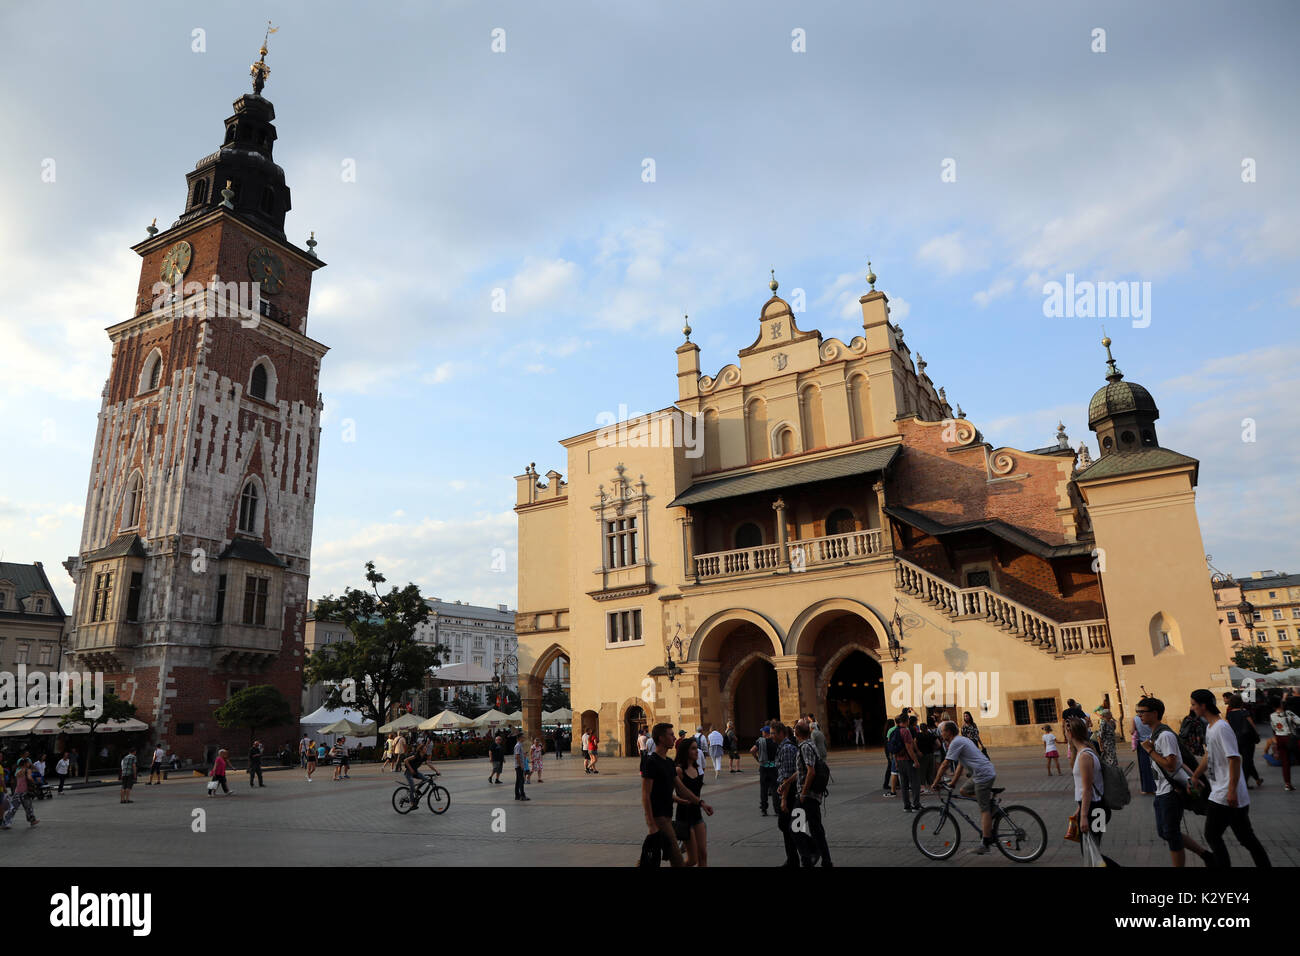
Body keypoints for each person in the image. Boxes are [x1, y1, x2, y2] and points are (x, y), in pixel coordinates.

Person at [1189, 689, 1271, 867]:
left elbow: (1234, 758)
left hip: (1226, 793)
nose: (1192, 707)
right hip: (1224, 792)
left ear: (1203, 706)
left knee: (1212, 835)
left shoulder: (1221, 728)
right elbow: (1209, 754)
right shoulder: (1211, 728)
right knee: (1245, 838)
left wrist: (1232, 791)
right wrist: (1195, 776)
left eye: (1194, 704)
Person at [1136, 696, 1212, 867]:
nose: (1139, 716)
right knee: (1165, 832)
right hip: (1162, 790)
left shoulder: (1164, 736)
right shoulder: (1156, 734)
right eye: (1137, 712)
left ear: (1155, 713)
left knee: (1171, 833)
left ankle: (1202, 858)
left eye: (1142, 712)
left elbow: (1171, 765)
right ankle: (1206, 855)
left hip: (1171, 791)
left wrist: (1149, 751)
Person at [641, 723, 709, 868]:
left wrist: (700, 802)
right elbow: (646, 794)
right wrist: (651, 823)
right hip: (659, 818)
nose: (674, 738)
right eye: (671, 735)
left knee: (650, 858)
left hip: (667, 815)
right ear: (661, 738)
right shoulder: (651, 761)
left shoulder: (669, 763)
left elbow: (681, 788)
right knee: (677, 860)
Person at [933, 720, 997, 855]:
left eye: (943, 731)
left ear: (949, 732)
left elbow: (945, 764)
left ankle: (985, 843)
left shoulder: (955, 742)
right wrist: (953, 783)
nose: (941, 733)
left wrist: (935, 782)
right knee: (963, 791)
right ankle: (988, 802)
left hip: (982, 775)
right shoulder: (961, 740)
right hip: (982, 772)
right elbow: (960, 765)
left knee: (984, 810)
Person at [1066, 717, 1117, 866]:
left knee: (1090, 852)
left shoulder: (1084, 756)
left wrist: (1083, 817)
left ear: (1070, 733)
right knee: (1093, 850)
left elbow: (1088, 789)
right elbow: (1091, 786)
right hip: (1096, 808)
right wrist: (1079, 808)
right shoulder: (1086, 751)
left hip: (1095, 810)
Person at [780, 720, 832, 867]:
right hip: (812, 796)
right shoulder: (810, 745)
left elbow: (811, 771)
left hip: (806, 797)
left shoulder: (804, 747)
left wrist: (803, 793)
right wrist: (787, 782)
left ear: (796, 733)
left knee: (794, 829)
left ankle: (808, 857)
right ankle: (826, 861)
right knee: (816, 830)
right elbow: (802, 770)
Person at [674, 736, 714, 866]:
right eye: (693, 749)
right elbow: (674, 792)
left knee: (703, 854)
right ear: (685, 751)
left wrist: (700, 804)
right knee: (692, 860)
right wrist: (679, 799)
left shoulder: (697, 769)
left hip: (697, 815)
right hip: (684, 816)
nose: (697, 751)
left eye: (697, 748)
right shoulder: (679, 770)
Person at [1224, 694, 1264, 789]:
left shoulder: (1229, 714)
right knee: (1247, 761)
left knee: (1247, 760)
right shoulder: (1244, 712)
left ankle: (1257, 779)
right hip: (1247, 740)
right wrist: (1257, 734)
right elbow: (1251, 724)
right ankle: (1244, 783)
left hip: (1236, 740)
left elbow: (1228, 727)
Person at [889, 711, 923, 813]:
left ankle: (906, 806)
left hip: (899, 761)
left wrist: (895, 762)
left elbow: (893, 749)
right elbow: (909, 748)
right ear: (907, 721)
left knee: (904, 784)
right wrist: (916, 761)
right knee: (915, 783)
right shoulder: (906, 731)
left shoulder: (894, 731)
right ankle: (916, 805)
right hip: (908, 761)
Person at [1267, 695, 1300, 790]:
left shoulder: (1272, 715)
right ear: (1280, 703)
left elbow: (1273, 728)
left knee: (1285, 762)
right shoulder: (1288, 713)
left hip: (1279, 738)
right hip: (1290, 738)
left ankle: (1287, 784)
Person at [751, 725, 778, 815]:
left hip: (764, 767)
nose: (762, 732)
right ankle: (776, 809)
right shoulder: (775, 741)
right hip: (773, 767)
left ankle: (764, 809)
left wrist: (757, 759)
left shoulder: (760, 741)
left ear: (765, 732)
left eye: (763, 731)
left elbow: (752, 750)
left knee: (764, 789)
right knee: (775, 789)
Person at [3, 759, 38, 828]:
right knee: (29, 807)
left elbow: (18, 781)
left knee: (13, 808)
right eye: (28, 763)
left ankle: (6, 822)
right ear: (25, 764)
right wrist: (34, 782)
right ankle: (32, 821)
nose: (29, 764)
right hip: (25, 792)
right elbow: (29, 778)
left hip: (17, 792)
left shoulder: (18, 771)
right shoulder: (28, 770)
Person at [1132, 709, 1156, 795]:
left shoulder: (1135, 718)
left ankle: (1146, 788)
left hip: (1142, 744)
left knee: (1144, 767)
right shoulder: (1151, 717)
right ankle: (1155, 787)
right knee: (1154, 765)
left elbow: (1132, 731)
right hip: (1151, 742)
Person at [404, 736, 437, 800]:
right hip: (408, 773)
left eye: (426, 748)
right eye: (424, 749)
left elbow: (429, 764)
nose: (426, 750)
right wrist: (411, 769)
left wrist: (436, 771)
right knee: (412, 787)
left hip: (415, 772)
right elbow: (405, 760)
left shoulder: (424, 756)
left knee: (425, 779)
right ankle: (411, 802)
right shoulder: (416, 756)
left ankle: (417, 790)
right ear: (421, 750)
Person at [513, 733, 531, 801]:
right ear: (519, 738)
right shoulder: (518, 745)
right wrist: (521, 765)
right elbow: (517, 756)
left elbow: (519, 755)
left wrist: (524, 755)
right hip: (519, 766)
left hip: (519, 765)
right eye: (523, 737)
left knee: (518, 781)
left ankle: (517, 795)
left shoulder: (520, 745)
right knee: (521, 781)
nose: (524, 738)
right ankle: (522, 796)